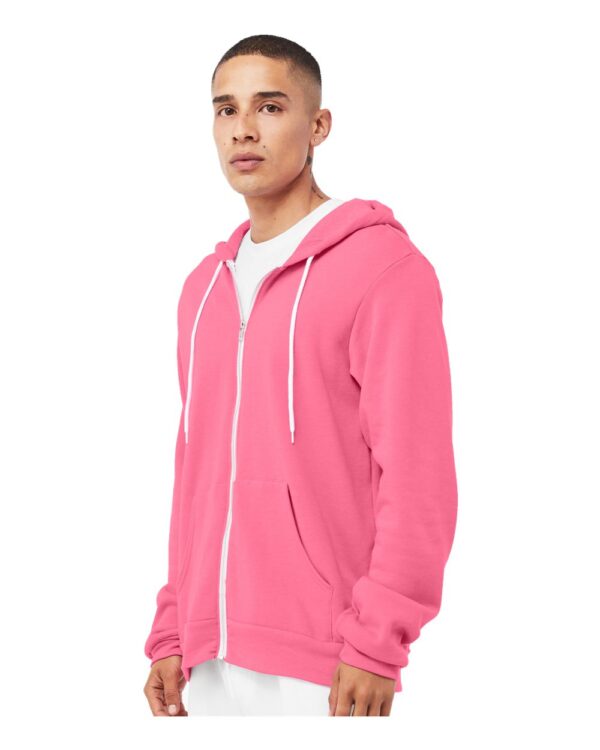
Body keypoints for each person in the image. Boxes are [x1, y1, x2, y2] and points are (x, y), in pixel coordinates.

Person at [143, 34, 458, 717]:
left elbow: (417, 474)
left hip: (330, 662)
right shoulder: (203, 289)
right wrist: (173, 626)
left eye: (269, 106)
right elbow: (194, 473)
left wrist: (378, 642)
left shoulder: (384, 269)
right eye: (225, 110)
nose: (243, 129)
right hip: (208, 660)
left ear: (318, 125)